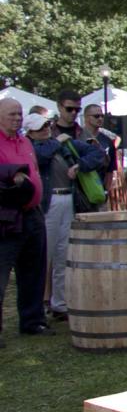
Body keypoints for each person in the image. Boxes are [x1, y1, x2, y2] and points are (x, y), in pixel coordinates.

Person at [28, 112, 104, 321]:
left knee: (63, 255)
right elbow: (39, 158)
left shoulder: (62, 144)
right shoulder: (33, 147)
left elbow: (96, 154)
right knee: (45, 255)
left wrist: (79, 165)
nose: (45, 130)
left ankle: (59, 303)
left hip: (67, 199)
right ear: (31, 132)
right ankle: (37, 307)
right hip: (48, 202)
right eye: (40, 128)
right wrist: (57, 142)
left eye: (47, 125)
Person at [0, 98, 51, 341]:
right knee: (2, 272)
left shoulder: (24, 141)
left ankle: (32, 320)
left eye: (19, 114)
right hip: (8, 216)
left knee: (33, 269)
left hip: (33, 213)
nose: (17, 118)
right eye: (12, 114)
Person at [80, 103, 119, 191]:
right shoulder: (78, 137)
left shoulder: (107, 140)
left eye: (102, 116)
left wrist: (106, 190)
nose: (100, 118)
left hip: (99, 188)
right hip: (80, 189)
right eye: (96, 116)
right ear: (86, 117)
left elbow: (110, 169)